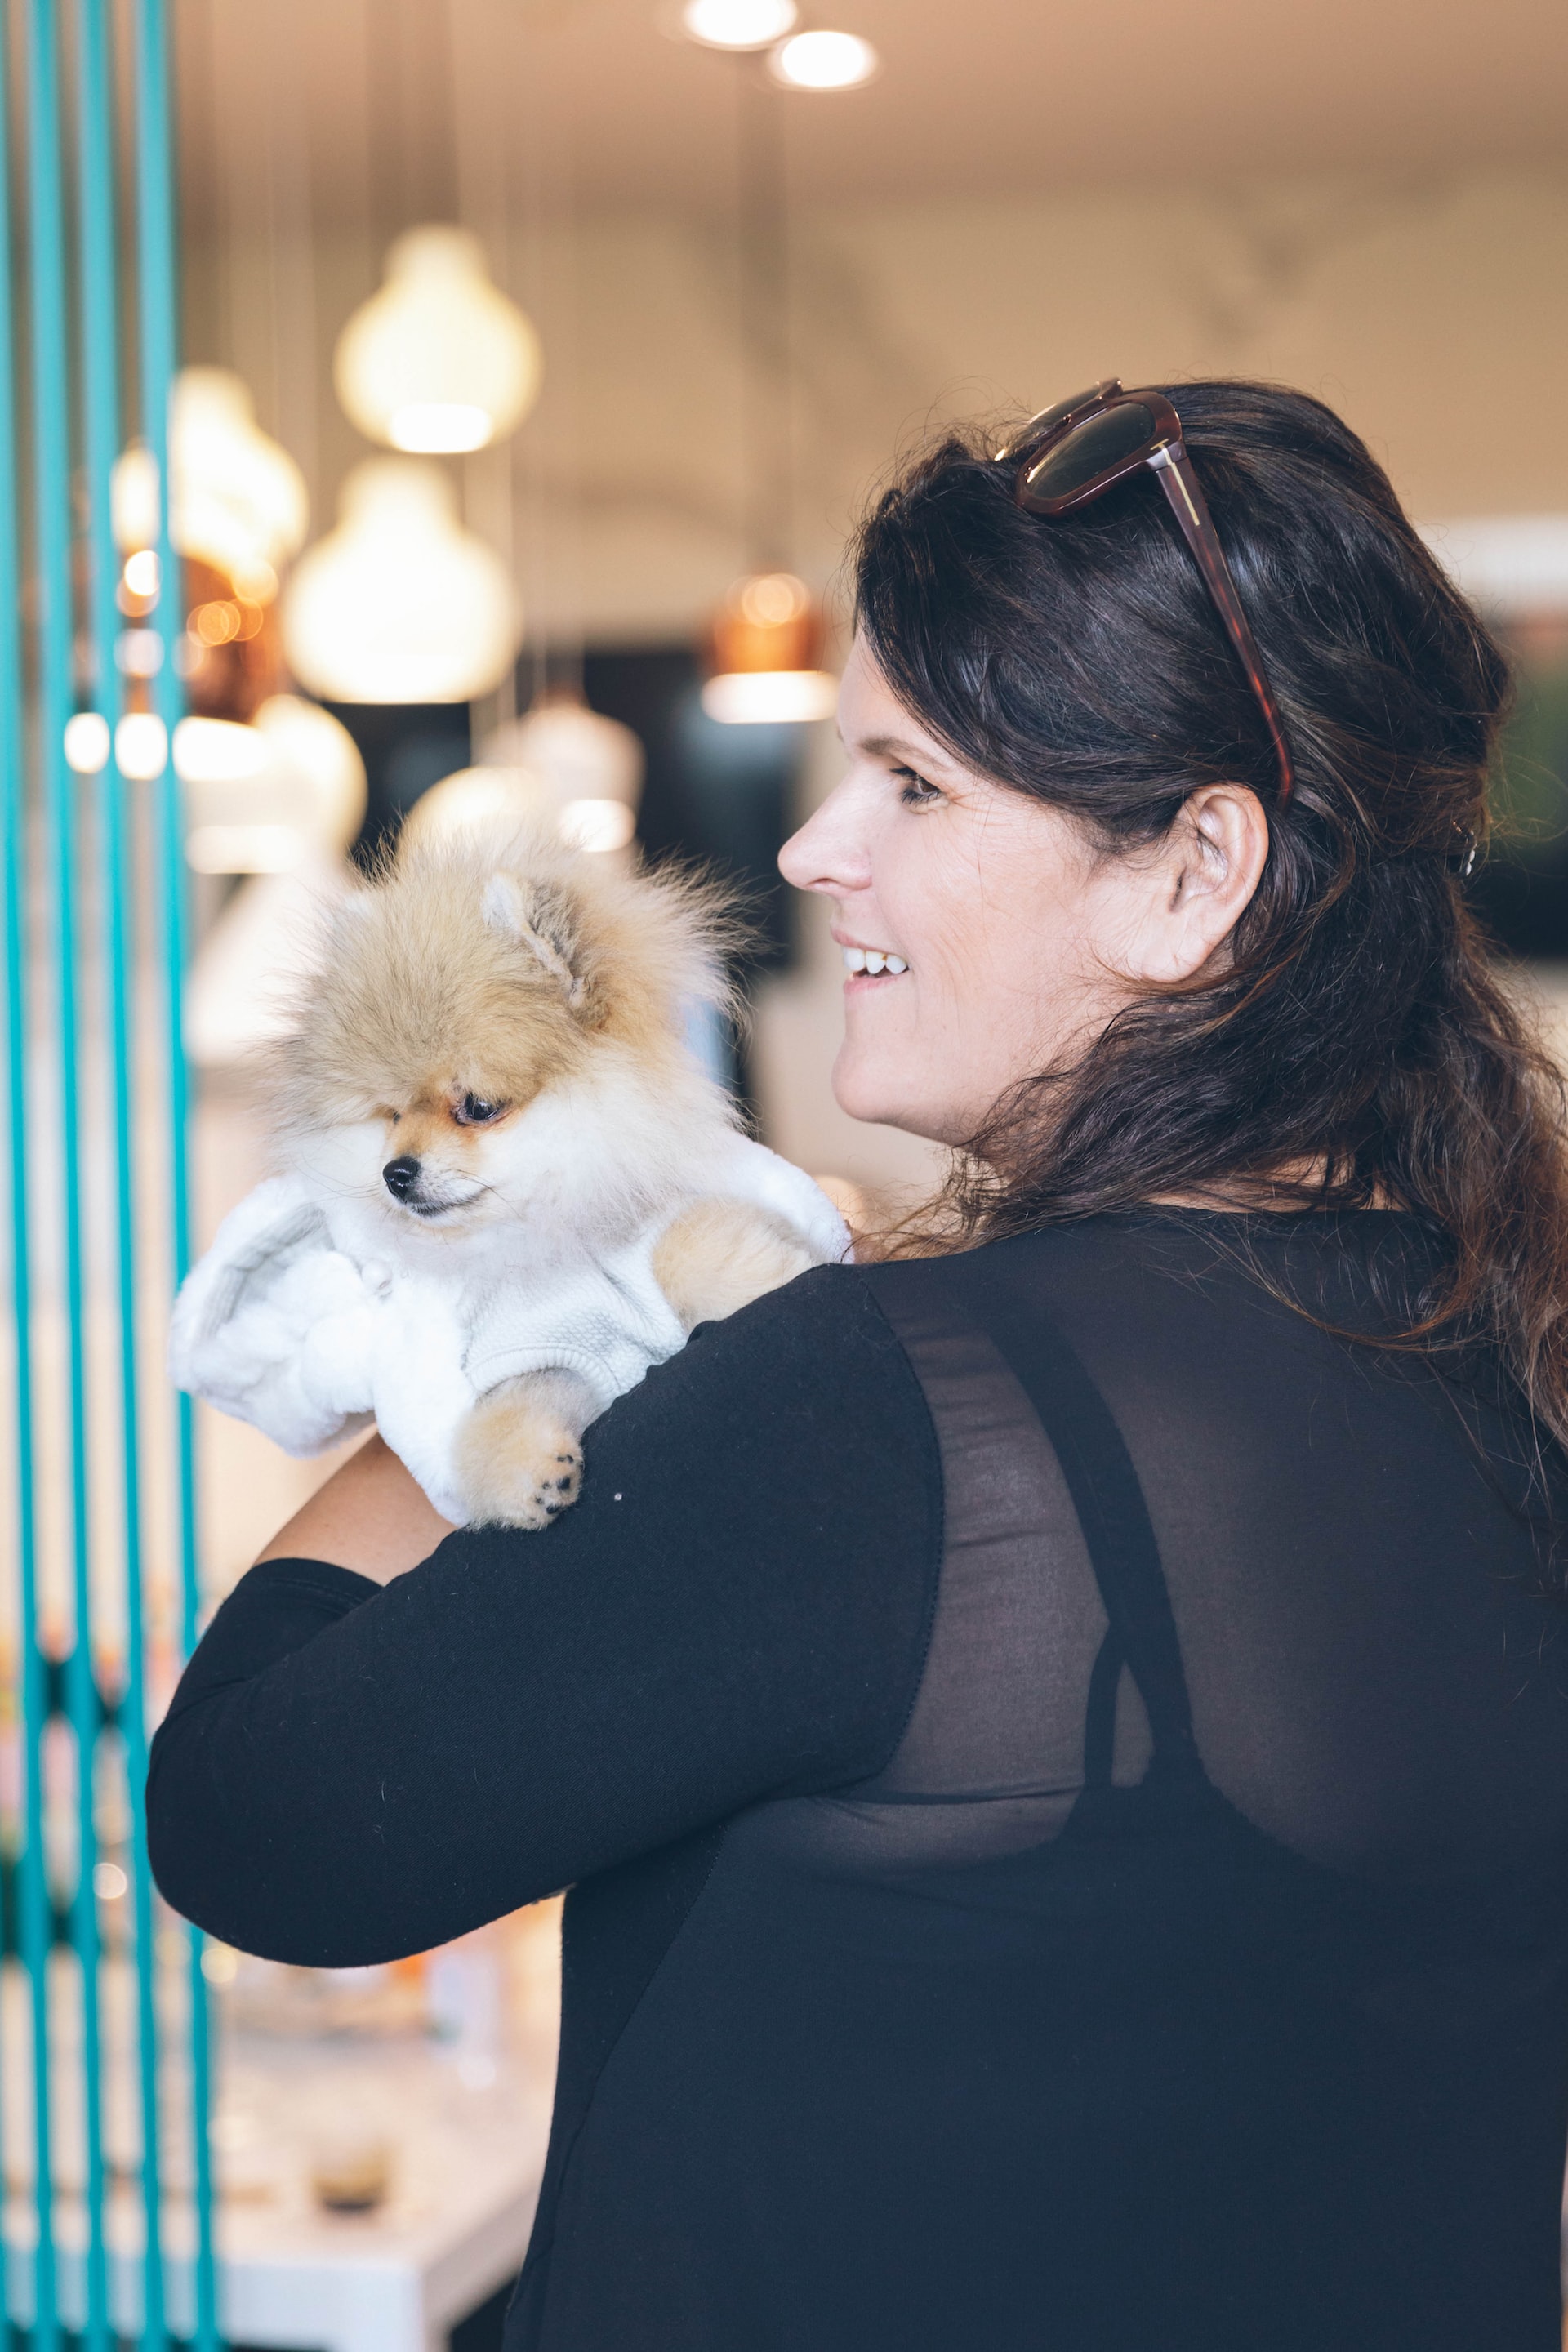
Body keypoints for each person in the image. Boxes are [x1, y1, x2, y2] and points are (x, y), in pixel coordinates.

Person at [147, 381, 1568, 2351]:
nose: (817, 851)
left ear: (1192, 873)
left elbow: (253, 1823)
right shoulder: (1497, 1358)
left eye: (912, 783)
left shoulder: (894, 1418)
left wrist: (462, 1320)